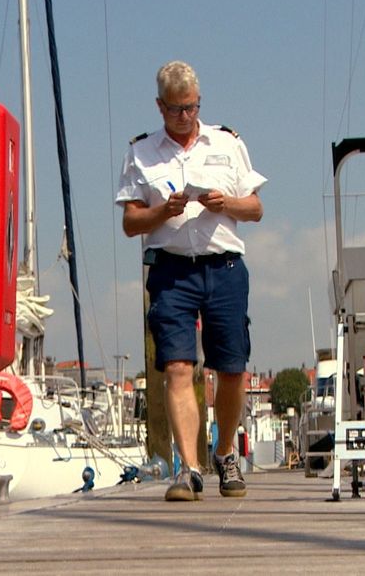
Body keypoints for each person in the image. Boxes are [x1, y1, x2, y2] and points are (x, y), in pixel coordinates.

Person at [115, 60, 266, 501]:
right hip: (171, 270)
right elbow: (130, 223)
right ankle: (190, 469)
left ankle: (224, 455)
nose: (186, 117)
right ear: (160, 106)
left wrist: (227, 203)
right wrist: (163, 210)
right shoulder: (141, 152)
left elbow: (256, 209)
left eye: (192, 107)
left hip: (225, 268)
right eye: (177, 110)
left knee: (232, 369)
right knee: (178, 367)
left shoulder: (228, 142)